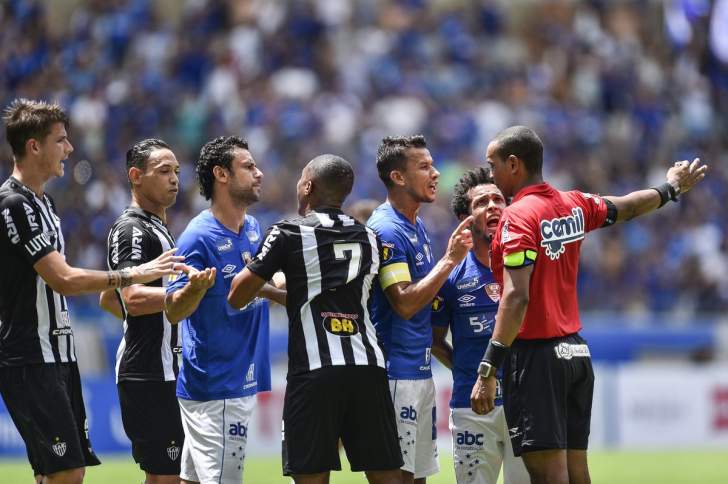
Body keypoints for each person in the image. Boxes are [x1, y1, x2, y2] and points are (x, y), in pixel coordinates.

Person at [470, 125, 708, 484]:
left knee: (548, 474)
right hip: (575, 355)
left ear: (514, 164)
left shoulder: (518, 217)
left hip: (537, 358)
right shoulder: (573, 203)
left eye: (493, 165)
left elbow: (517, 296)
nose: (490, 174)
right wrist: (670, 188)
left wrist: (489, 366)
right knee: (577, 471)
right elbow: (625, 207)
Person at [0, 98, 181, 484]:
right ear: (34, 146)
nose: (69, 149)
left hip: (58, 354)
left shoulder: (44, 203)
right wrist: (132, 274)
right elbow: (62, 279)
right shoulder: (14, 203)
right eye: (61, 140)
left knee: (59, 472)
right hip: (31, 355)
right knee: (68, 472)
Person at [228, 154, 403, 484]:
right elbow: (326, 288)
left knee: (310, 476)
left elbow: (237, 295)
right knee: (387, 476)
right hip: (367, 367)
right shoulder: (370, 238)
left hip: (314, 371)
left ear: (307, 187)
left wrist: (265, 277)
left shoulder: (287, 233)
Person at [165, 136, 283, 484]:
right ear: (221, 175)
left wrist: (278, 281)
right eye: (248, 167)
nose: (259, 174)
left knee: (190, 479)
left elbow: (261, 277)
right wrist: (194, 289)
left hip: (237, 380)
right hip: (217, 387)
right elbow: (173, 310)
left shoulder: (252, 228)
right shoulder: (196, 237)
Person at [367, 135, 473, 484]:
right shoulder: (387, 229)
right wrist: (450, 261)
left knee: (416, 479)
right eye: (424, 166)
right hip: (395, 375)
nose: (436, 173)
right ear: (398, 177)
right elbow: (405, 302)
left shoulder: (415, 226)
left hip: (418, 373)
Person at [98, 139, 191, 484]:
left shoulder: (157, 227)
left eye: (177, 172)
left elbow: (109, 299)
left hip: (165, 368)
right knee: (167, 476)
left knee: (172, 475)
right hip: (149, 371)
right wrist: (187, 294)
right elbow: (133, 298)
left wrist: (159, 324)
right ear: (136, 176)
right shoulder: (132, 228)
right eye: (164, 171)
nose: (174, 179)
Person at [430, 167, 529, 484]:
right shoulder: (450, 274)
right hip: (473, 407)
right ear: (465, 217)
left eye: (499, 199)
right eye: (482, 202)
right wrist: (472, 372)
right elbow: (433, 339)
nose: (493, 207)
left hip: (527, 403)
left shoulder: (527, 265)